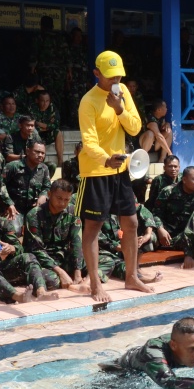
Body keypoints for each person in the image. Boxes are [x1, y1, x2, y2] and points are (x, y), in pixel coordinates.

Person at [78, 50, 157, 301]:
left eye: (118, 76)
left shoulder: (123, 93)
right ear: (97, 74)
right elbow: (88, 141)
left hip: (121, 168)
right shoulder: (88, 101)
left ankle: (131, 277)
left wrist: (120, 108)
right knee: (93, 227)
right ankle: (94, 284)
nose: (115, 81)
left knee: (132, 223)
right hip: (96, 170)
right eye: (110, 77)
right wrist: (104, 158)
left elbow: (135, 127)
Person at [24, 180, 85, 292]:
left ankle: (85, 281)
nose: (62, 203)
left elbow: (77, 241)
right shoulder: (34, 215)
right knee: (52, 280)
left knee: (104, 260)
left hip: (64, 257)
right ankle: (66, 281)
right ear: (49, 194)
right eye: (59, 198)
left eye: (66, 199)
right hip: (44, 260)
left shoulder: (73, 211)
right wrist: (60, 271)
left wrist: (78, 271)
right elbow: (37, 250)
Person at [153, 166, 194, 247]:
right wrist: (160, 229)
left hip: (191, 230)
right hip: (169, 230)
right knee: (150, 238)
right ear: (184, 180)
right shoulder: (169, 191)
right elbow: (156, 213)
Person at [3, 140, 52, 217]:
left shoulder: (44, 168)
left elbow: (47, 187)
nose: (40, 155)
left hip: (34, 209)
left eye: (43, 153)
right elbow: (1, 186)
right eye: (37, 152)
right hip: (14, 209)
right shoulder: (13, 167)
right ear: (28, 151)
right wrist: (9, 203)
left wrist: (43, 195)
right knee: (13, 227)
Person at [33, 91, 64, 169]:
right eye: (42, 101)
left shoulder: (52, 107)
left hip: (48, 134)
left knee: (58, 132)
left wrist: (41, 124)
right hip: (36, 135)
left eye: (47, 101)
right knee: (34, 132)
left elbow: (56, 125)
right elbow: (33, 125)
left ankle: (60, 160)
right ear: (37, 101)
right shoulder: (33, 108)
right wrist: (47, 126)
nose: (45, 103)